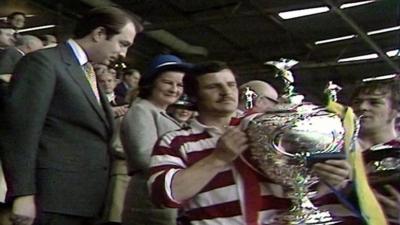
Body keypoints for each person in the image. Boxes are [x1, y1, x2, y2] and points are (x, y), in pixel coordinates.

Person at [0, 6, 142, 225]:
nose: (123, 54)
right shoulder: (44, 62)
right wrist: (22, 194)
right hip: (49, 200)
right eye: (122, 44)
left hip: (82, 201)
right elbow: (21, 131)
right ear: (99, 34)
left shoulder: (87, 72)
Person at [148, 61, 296, 224]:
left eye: (231, 85)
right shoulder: (174, 141)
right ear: (194, 96)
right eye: (213, 87)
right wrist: (218, 158)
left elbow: (302, 181)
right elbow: (162, 196)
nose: (226, 92)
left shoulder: (270, 130)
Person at [313, 77, 400, 224]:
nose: (363, 107)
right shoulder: (331, 152)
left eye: (374, 102)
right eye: (357, 102)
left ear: (396, 112)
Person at [120, 54, 192, 225]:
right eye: (167, 82)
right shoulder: (142, 110)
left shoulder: (161, 113)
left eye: (180, 85)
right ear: (151, 82)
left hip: (164, 196)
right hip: (148, 198)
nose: (174, 89)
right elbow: (143, 156)